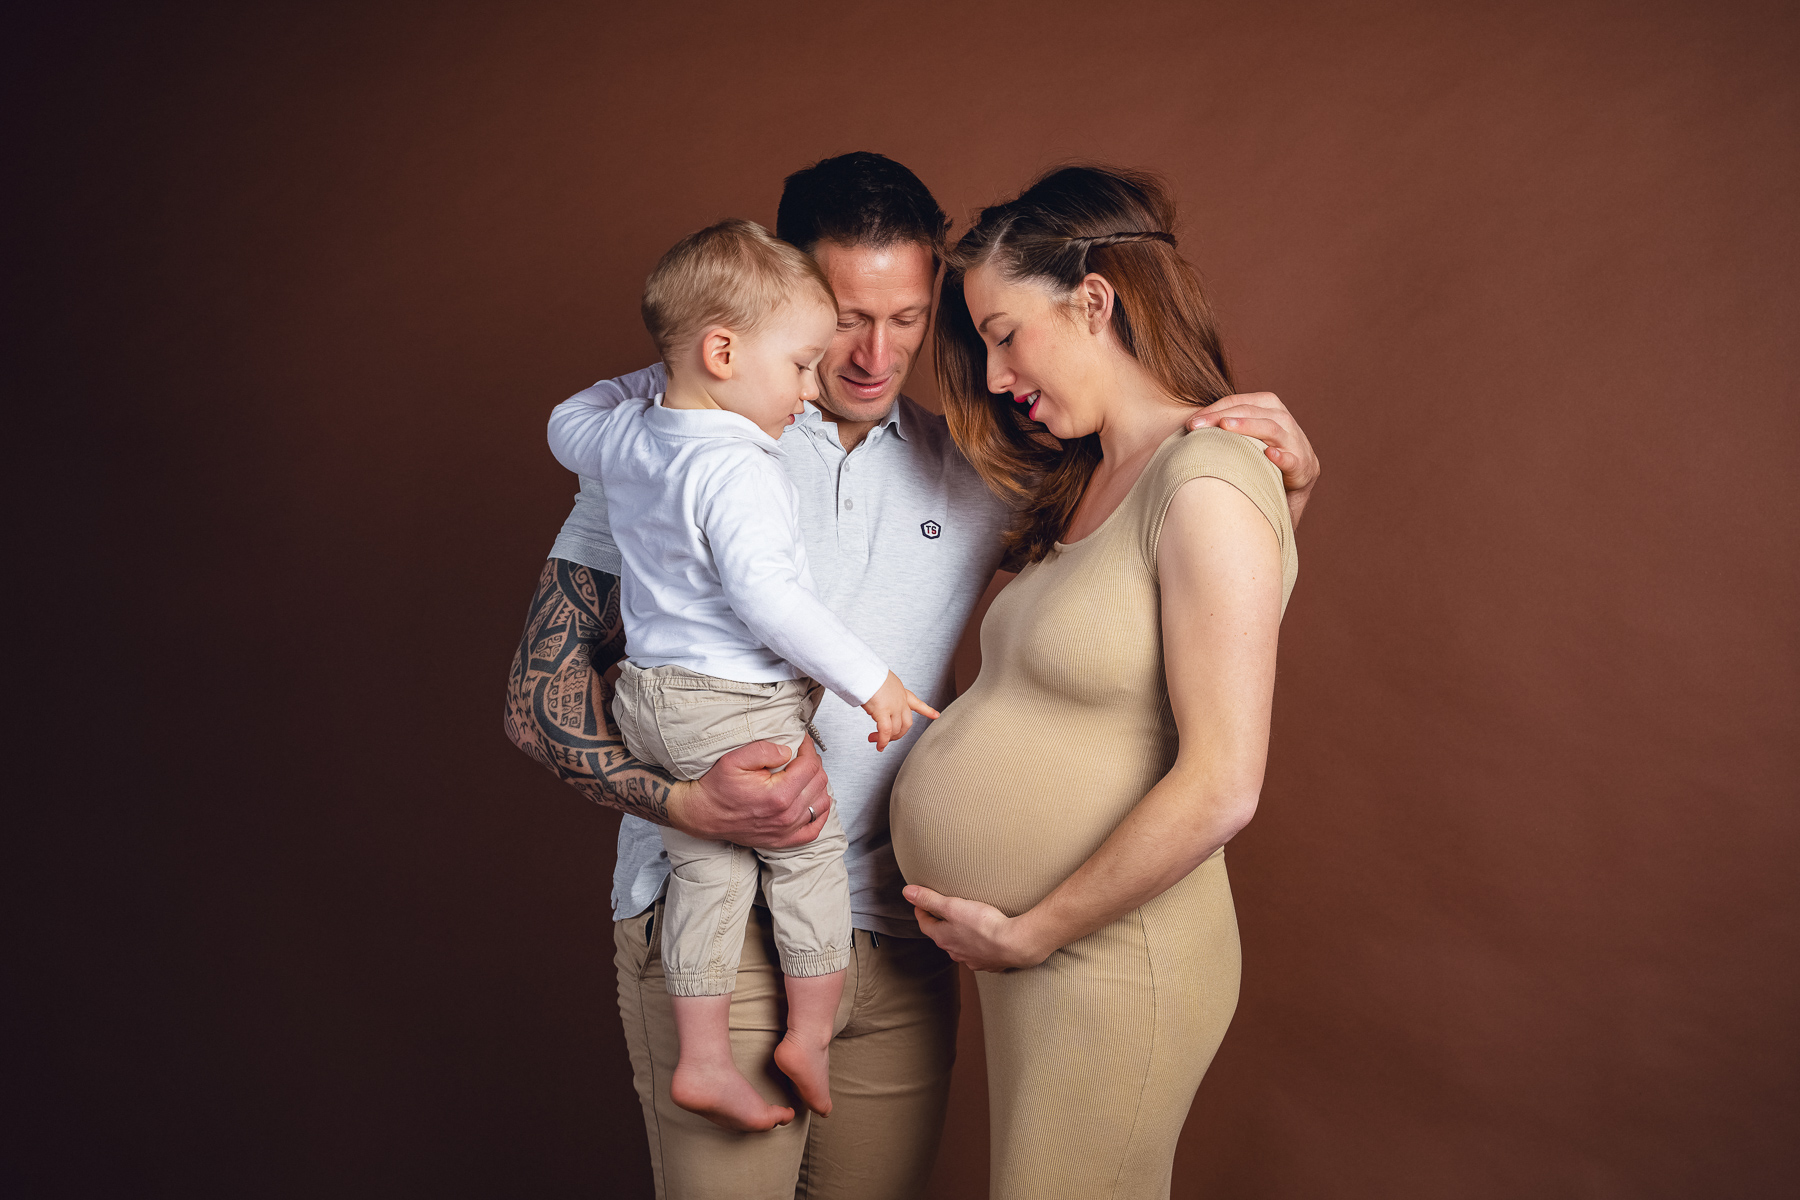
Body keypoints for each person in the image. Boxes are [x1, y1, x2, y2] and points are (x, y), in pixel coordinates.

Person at [503, 152, 1323, 1200]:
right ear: (786, 289)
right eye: (848, 317)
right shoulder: (671, 452)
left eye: (908, 318)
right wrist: (685, 804)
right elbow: (535, 699)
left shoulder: (989, 467)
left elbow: (1159, 594)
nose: (874, 355)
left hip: (897, 943)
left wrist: (1287, 490)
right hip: (727, 933)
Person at [889, 165, 1295, 1200]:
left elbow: (1224, 785)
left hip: (1109, 954)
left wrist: (1030, 932)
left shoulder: (1207, 477)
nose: (992, 376)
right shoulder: (1096, 478)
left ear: (1094, 302)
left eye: (1004, 334)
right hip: (1044, 953)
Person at [546, 218, 940, 1131]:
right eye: (804, 360)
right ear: (724, 352)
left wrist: (666, 371)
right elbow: (770, 600)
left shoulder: (634, 436)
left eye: (906, 319)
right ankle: (809, 1035)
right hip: (730, 698)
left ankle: (704, 1059)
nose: (812, 385)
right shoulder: (742, 464)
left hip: (653, 698)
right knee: (806, 853)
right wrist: (871, 681)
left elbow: (566, 422)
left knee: (708, 872)